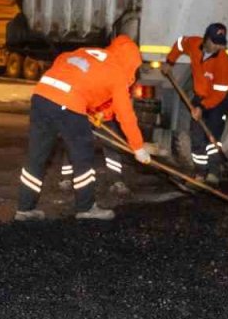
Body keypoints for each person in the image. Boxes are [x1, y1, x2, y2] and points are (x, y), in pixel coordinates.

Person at [16, 35, 150, 221]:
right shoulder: (117, 72)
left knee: (37, 156)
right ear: (130, 60)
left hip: (41, 96)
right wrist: (138, 147)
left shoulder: (87, 52)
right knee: (83, 156)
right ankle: (86, 208)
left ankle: (24, 208)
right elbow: (125, 115)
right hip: (68, 104)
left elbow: (65, 63)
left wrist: (92, 109)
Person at [165, 23, 228, 184]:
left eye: (221, 42)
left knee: (212, 138)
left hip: (220, 102)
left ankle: (214, 174)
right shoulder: (194, 44)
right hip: (200, 98)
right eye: (215, 42)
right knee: (196, 137)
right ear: (207, 39)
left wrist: (202, 107)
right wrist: (170, 61)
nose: (218, 46)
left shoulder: (223, 61)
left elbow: (219, 93)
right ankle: (200, 173)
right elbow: (180, 43)